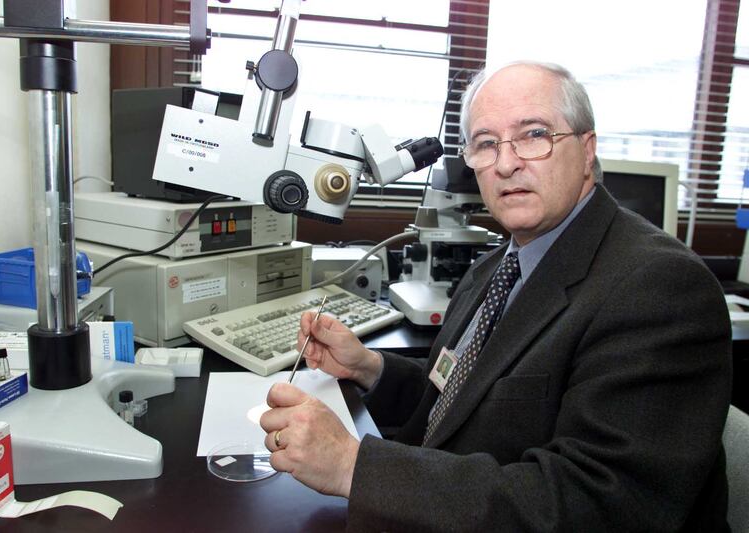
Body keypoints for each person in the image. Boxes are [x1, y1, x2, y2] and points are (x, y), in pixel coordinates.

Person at [259, 61, 733, 531]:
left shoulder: (659, 287)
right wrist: (369, 368)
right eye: (486, 143)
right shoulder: (497, 265)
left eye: (533, 135)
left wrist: (351, 466)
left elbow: (599, 504)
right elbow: (462, 400)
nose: (506, 163)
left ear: (587, 150)